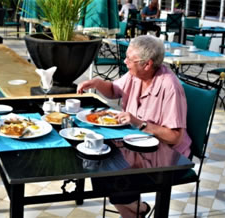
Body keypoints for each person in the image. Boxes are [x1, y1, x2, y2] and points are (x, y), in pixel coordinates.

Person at [77, 35, 191, 218]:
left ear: (147, 64)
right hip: (136, 148)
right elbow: (114, 90)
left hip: (167, 157)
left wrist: (139, 122)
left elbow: (175, 137)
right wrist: (97, 83)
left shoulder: (170, 87)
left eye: (130, 59)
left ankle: (137, 211)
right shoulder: (135, 75)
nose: (125, 61)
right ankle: (139, 210)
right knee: (97, 165)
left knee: (115, 177)